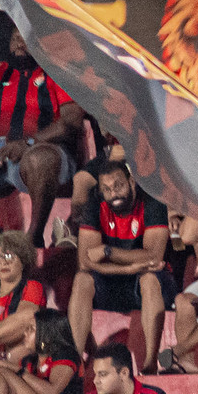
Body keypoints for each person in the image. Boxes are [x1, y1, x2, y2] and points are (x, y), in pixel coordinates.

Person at [0, 24, 83, 245]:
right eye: (15, 38)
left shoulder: (57, 73)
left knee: (39, 159)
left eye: (25, 38)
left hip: (43, 150)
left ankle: (33, 237)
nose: (19, 43)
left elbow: (71, 121)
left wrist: (29, 142)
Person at [67, 156, 173, 370]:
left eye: (118, 186)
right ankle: (74, 362)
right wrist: (130, 267)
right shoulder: (95, 203)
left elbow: (153, 256)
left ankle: (150, 362)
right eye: (107, 189)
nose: (113, 194)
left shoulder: (151, 202)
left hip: (149, 284)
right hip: (113, 282)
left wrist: (107, 251)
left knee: (150, 279)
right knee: (82, 280)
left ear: (131, 182)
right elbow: (86, 262)